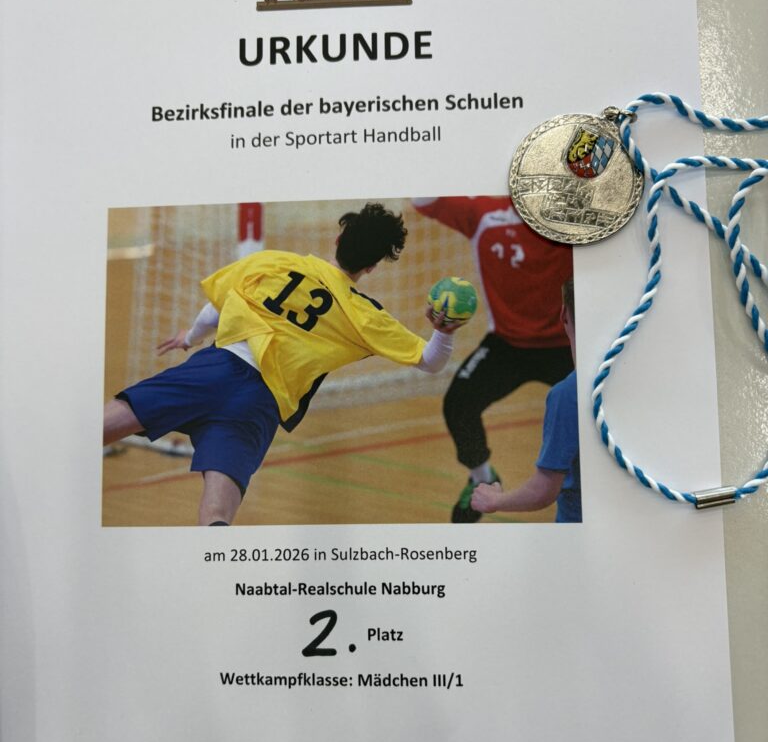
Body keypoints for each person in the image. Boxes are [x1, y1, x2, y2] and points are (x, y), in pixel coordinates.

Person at [104, 203, 462, 526]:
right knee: (216, 517)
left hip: (213, 370)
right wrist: (443, 331)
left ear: (338, 239)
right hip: (258, 404)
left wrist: (191, 337)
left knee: (100, 427)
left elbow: (215, 309)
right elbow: (431, 361)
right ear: (371, 267)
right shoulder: (366, 316)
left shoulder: (275, 262)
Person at [412, 196, 573, 521]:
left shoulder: (569, 220)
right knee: (459, 404)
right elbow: (422, 200)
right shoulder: (484, 214)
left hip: (565, 344)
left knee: (592, 411)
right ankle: (482, 478)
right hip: (507, 344)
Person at [470, 277, 580, 522]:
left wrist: (495, 500)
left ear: (563, 315)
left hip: (577, 531)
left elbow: (544, 490)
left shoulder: (568, 394)